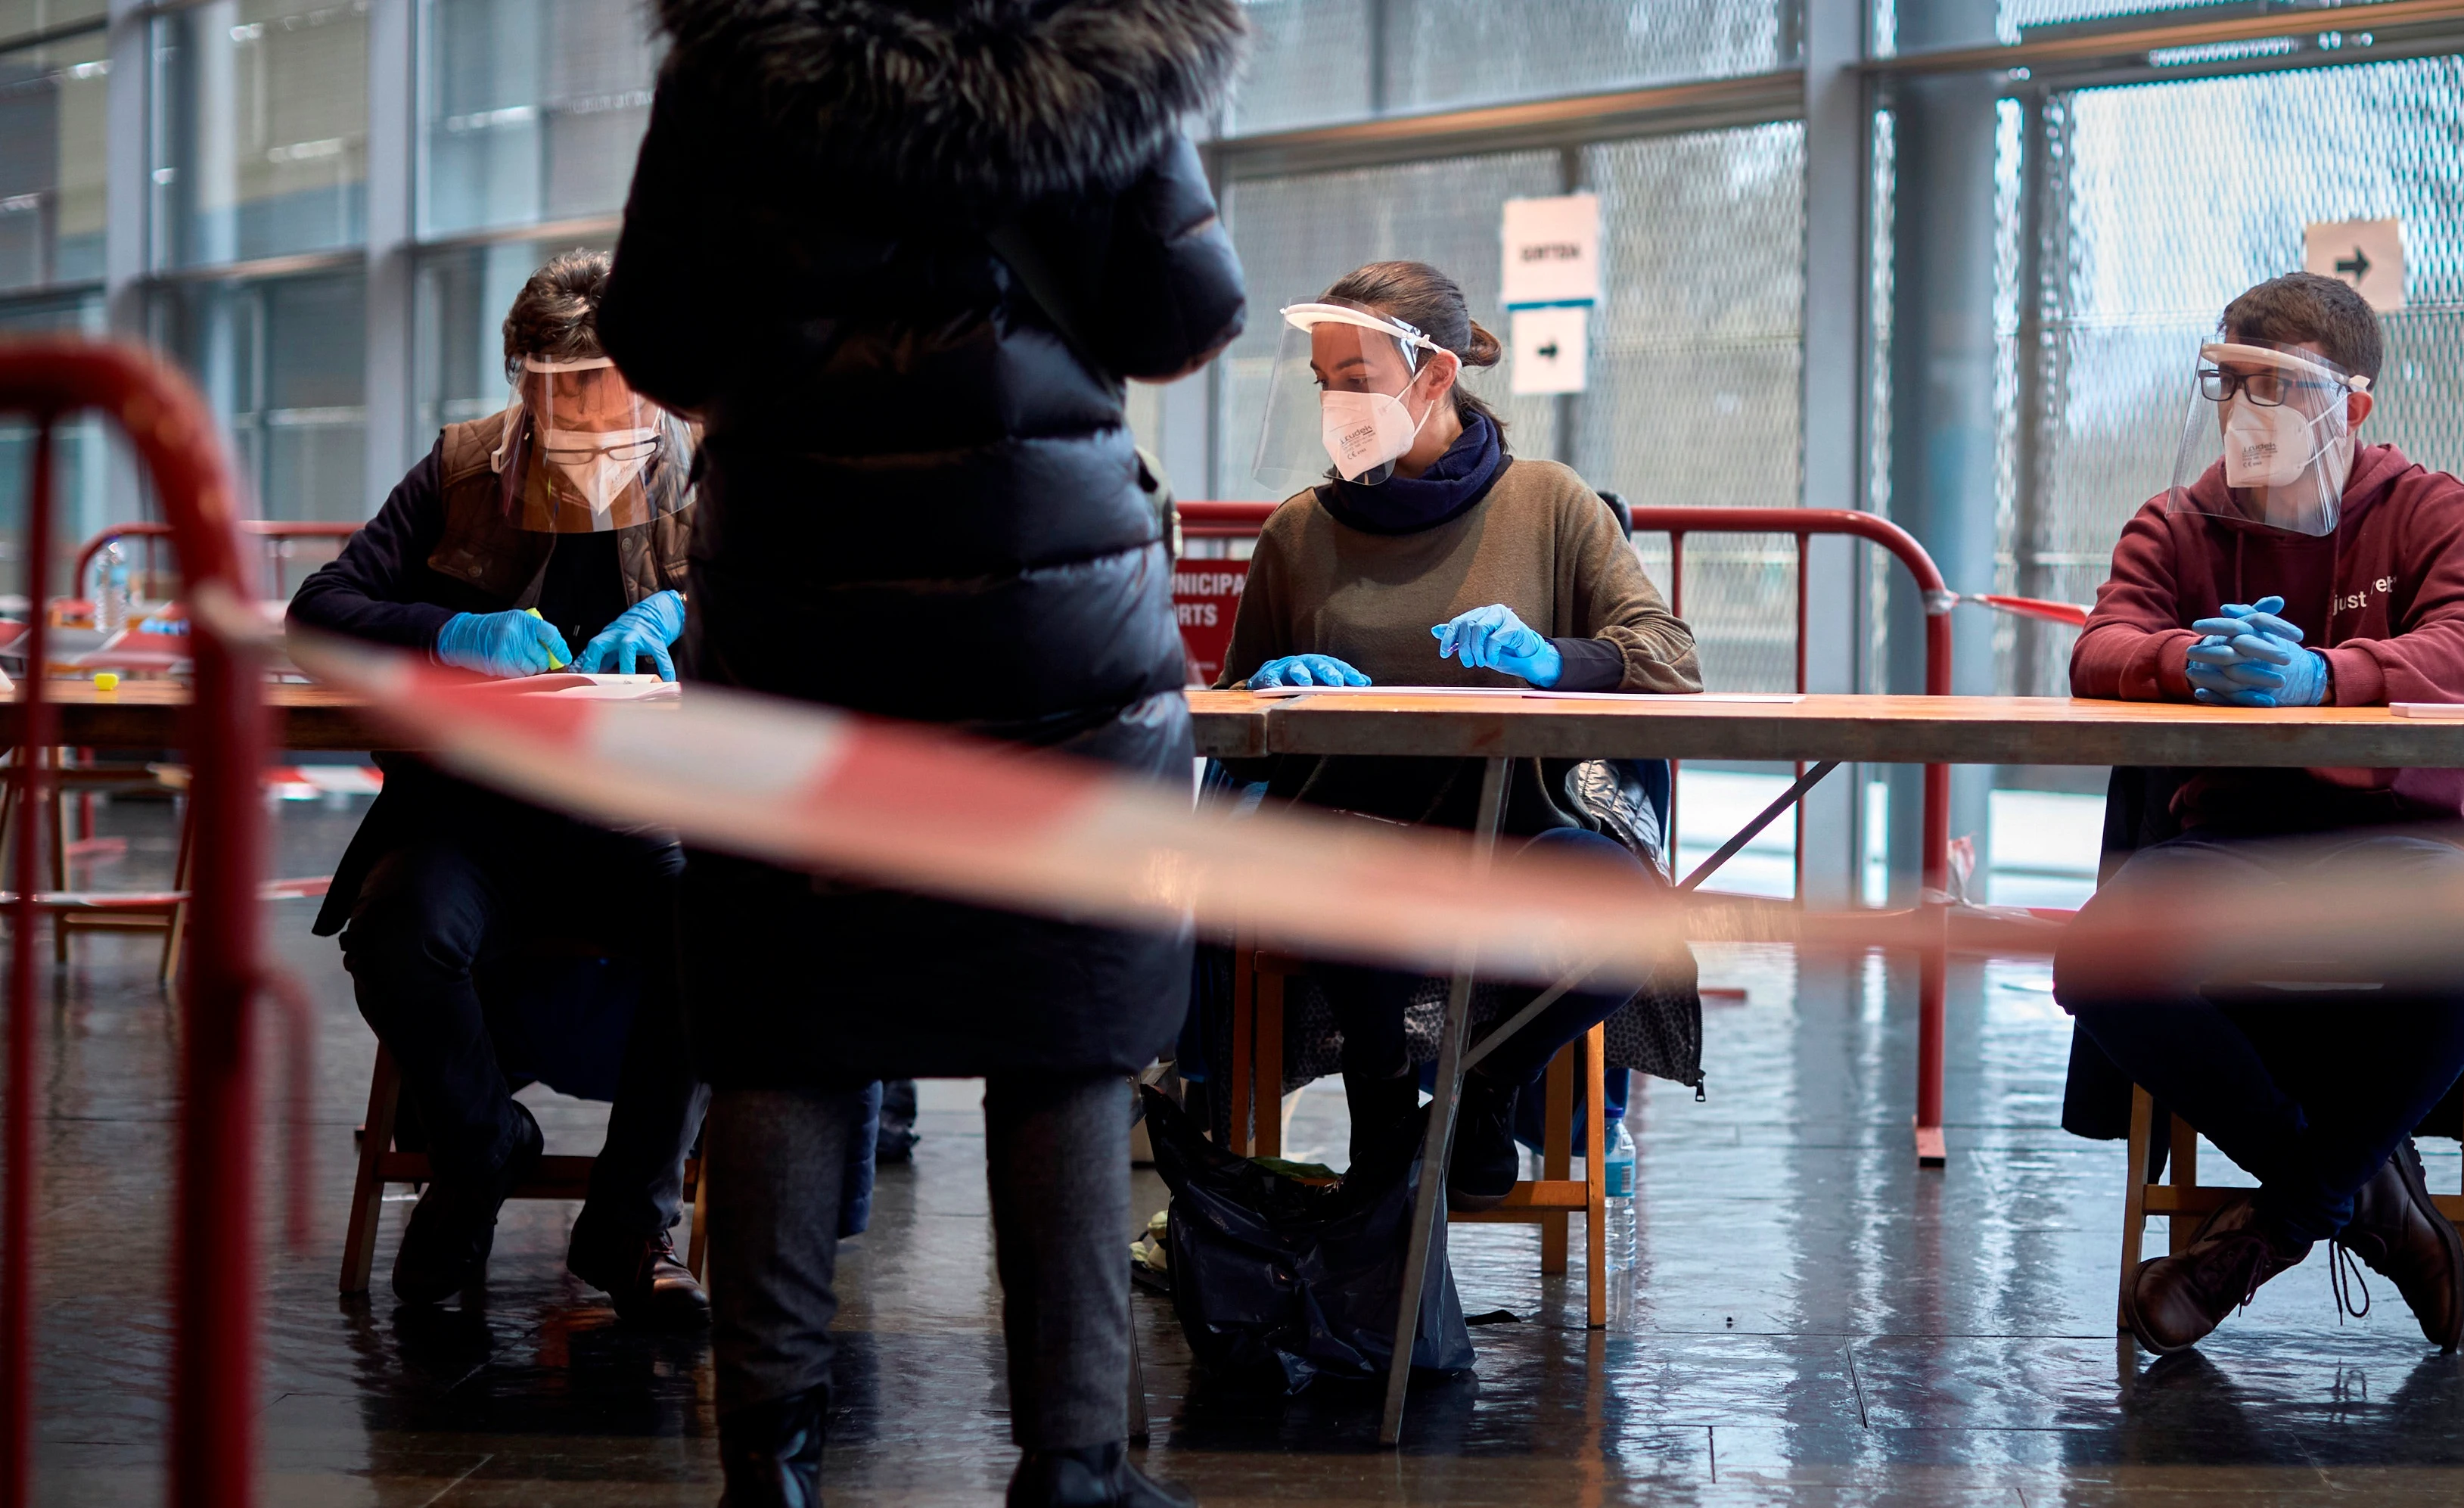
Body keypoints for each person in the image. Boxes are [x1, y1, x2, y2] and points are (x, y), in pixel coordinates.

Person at [594, 1, 1249, 1502]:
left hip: (798, 610)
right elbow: (1179, 316)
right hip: (1053, 624)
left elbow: (658, 335)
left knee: (783, 1012)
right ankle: (1075, 1460)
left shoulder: (733, 65)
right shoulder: (1108, 50)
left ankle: (767, 1452)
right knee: (1066, 1018)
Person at [2052, 272, 2464, 1356]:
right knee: (2099, 959)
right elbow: (2098, 647)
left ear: (2350, 407)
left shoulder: (2430, 511)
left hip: (2410, 834)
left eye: (2277, 386)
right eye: (2229, 382)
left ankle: (2270, 1229)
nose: (2244, 410)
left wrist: (2325, 677)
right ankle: (2362, 1201)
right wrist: (2178, 658)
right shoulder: (2181, 519)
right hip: (2237, 838)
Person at [1218, 260, 1701, 1209]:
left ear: (1435, 376)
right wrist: (1270, 683)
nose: (1336, 407)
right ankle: (1387, 1100)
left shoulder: (1550, 505)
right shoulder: (1297, 534)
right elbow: (1234, 708)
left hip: (1514, 832)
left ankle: (1484, 1090)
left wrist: (1553, 659)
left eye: (1355, 382)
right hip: (1346, 846)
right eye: (1325, 386)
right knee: (1341, 873)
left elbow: (1669, 655)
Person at [287, 249, 710, 1324]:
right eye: (551, 388)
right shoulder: (464, 468)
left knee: (716, 933)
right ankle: (477, 1153)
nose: (574, 414)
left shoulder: (707, 470)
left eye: (598, 386)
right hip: (474, 818)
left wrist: (680, 619)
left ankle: (627, 1225)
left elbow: (799, 628)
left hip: (638, 811)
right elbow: (320, 613)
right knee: (397, 933)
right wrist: (450, 631)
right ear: (519, 380)